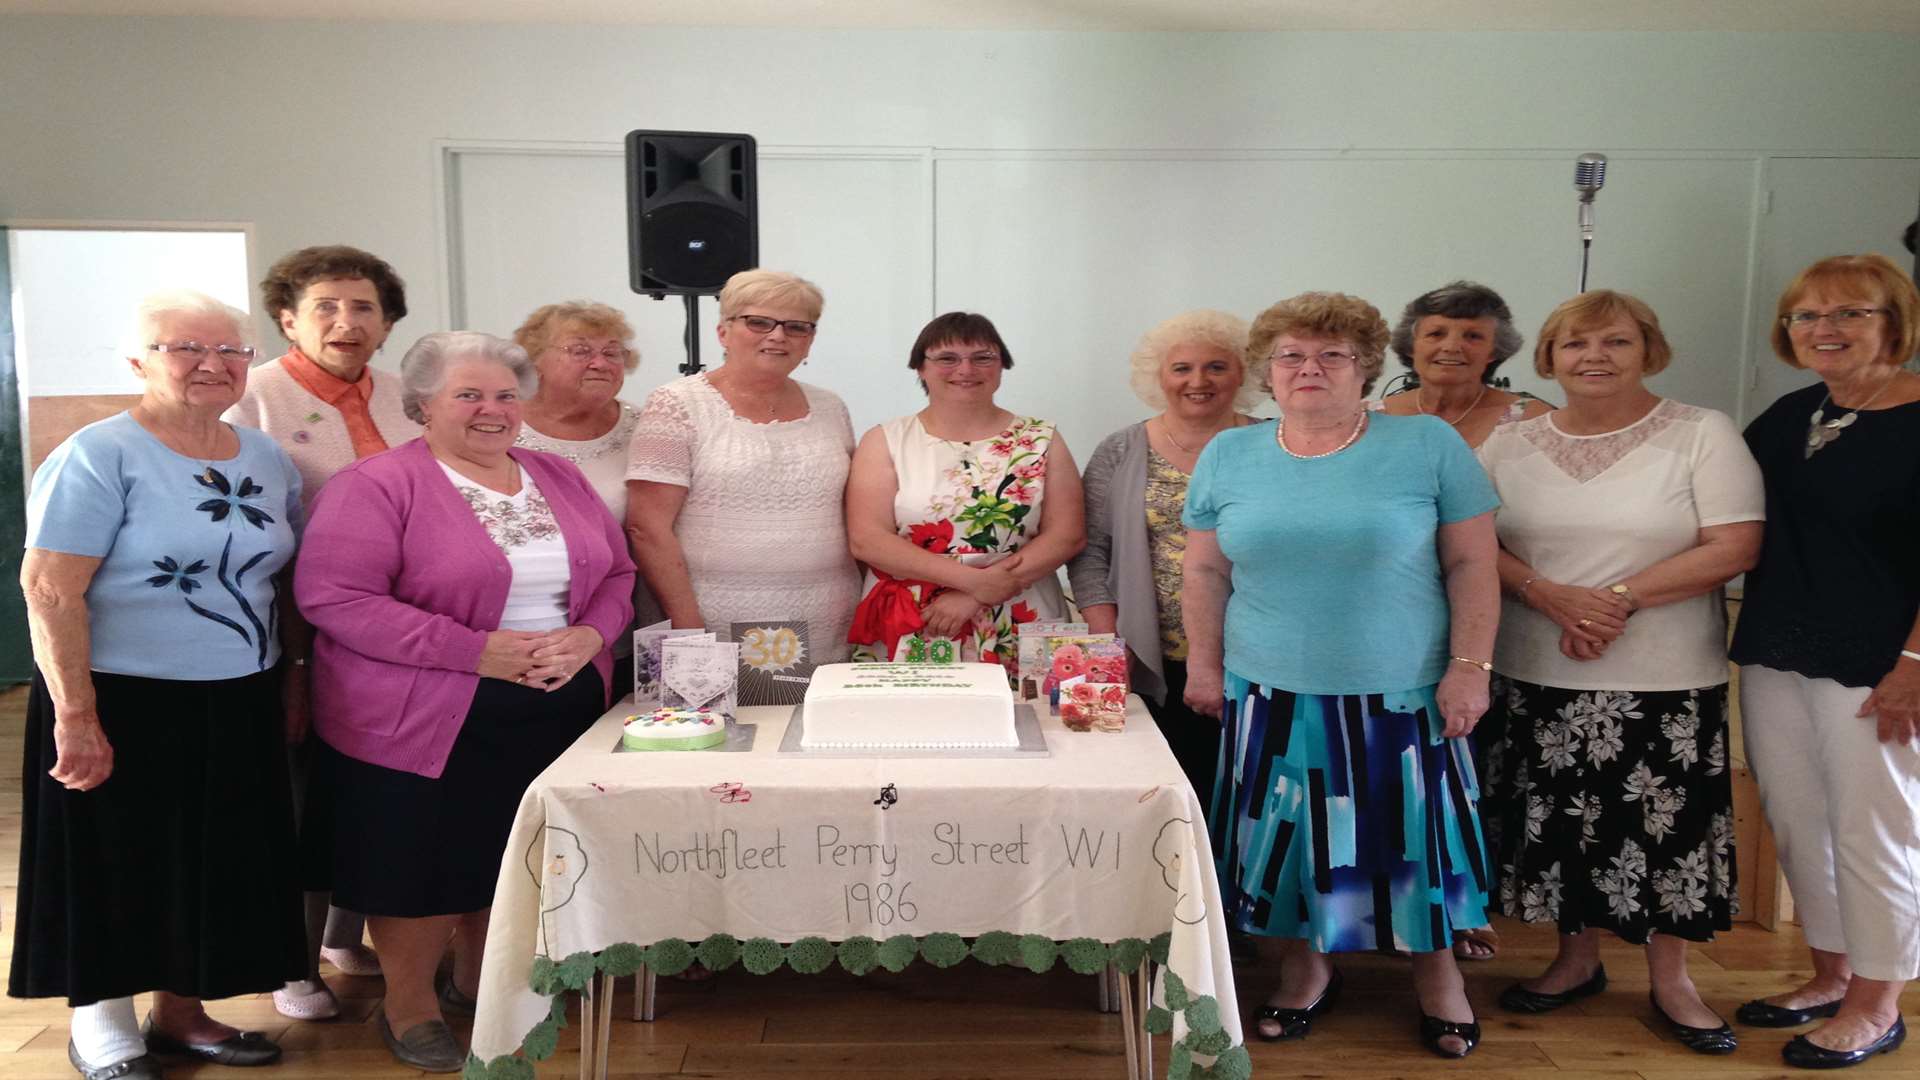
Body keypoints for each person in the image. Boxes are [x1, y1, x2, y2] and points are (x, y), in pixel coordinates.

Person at [296, 332, 633, 1072]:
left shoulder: (557, 476)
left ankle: (480, 979)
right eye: (469, 395)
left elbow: (616, 576)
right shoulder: (377, 485)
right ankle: (407, 1004)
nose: (493, 411)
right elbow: (334, 597)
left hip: (554, 705)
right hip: (420, 712)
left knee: (511, 854)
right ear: (421, 405)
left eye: (507, 395)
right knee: (419, 863)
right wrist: (473, 651)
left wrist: (587, 637)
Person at [1182, 291, 1499, 1057]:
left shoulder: (1426, 444)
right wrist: (1203, 664)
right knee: (1287, 844)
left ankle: (1439, 979)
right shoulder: (1230, 453)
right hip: (1271, 691)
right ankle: (1306, 971)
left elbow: (1472, 563)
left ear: (1367, 369)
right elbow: (1204, 572)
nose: (1309, 368)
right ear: (1267, 371)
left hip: (1400, 691)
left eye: (1333, 355)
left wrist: (1470, 668)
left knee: (1413, 843)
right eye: (1291, 355)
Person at [14, 290, 304, 1078]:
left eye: (231, 351)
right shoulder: (99, 453)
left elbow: (283, 581)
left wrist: (291, 680)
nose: (213, 365)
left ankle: (184, 1013)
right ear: (139, 362)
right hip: (119, 693)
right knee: (115, 858)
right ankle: (102, 1022)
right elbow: (49, 590)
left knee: (212, 861)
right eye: (185, 349)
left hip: (237, 690)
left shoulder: (265, 456)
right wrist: (76, 714)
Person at [1479, 290, 1763, 1054]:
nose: (1594, 356)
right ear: (1549, 358)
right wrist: (1548, 595)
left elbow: (1734, 545)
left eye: (1615, 341)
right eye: (1575, 344)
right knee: (1565, 827)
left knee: (1662, 835)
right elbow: (1474, 544)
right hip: (1534, 667)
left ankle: (1673, 982)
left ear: (1649, 350)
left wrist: (1612, 602)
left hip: (1665, 677)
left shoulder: (1704, 432)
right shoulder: (1509, 441)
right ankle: (1575, 963)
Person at [1729, 253, 1920, 1069]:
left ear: (1894, 323)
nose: (1826, 329)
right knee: (1801, 819)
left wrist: (1915, 659)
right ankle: (1830, 973)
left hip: (1883, 659)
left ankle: (1879, 1003)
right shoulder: (1789, 414)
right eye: (1808, 315)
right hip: (1778, 648)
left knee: (1875, 828)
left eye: (1851, 313)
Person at [225, 243, 411, 1018]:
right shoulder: (253, 400)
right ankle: (290, 963)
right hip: (290, 629)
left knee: (366, 790)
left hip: (393, 632)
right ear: (287, 319)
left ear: (388, 322)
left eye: (364, 306)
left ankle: (343, 938)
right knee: (300, 799)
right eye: (326, 306)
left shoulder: (405, 394)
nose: (346, 321)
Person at [1375, 279, 1550, 961]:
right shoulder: (1377, 414)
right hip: (1406, 621)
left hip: (1512, 612)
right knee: (1417, 770)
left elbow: (1533, 529)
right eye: (1436, 333)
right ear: (1410, 345)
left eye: (1472, 335)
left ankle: (1468, 905)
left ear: (1496, 349)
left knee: (1484, 765)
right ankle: (1403, 895)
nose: (1452, 346)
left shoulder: (1533, 417)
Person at [1068, 310, 1258, 796]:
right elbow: (1091, 550)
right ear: (1159, 377)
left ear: (1243, 373)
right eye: (1182, 368)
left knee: (1246, 795)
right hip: (1146, 659)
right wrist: (1109, 644)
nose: (1198, 381)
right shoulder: (1121, 448)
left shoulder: (1273, 445)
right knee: (1153, 796)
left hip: (1257, 657)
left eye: (1217, 366)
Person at [626, 270, 859, 658]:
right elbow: (647, 527)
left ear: (810, 340)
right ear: (723, 332)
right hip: (712, 625)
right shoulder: (677, 404)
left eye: (796, 326)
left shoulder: (831, 407)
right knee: (731, 722)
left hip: (828, 620)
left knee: (813, 720)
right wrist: (690, 632)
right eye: (758, 322)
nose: (778, 335)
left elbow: (849, 514)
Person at [847, 312, 1085, 672]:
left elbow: (1067, 535)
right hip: (919, 616)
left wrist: (973, 596)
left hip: (1021, 610)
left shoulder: (1041, 438)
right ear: (920, 369)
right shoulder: (885, 440)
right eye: (947, 358)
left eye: (982, 357)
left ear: (1002, 365)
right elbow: (867, 539)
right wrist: (975, 584)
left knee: (1027, 722)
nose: (966, 369)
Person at [513, 300, 652, 688]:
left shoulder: (647, 426)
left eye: (612, 353)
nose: (600, 363)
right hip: (524, 632)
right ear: (534, 360)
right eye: (580, 350)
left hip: (624, 621)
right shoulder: (501, 428)